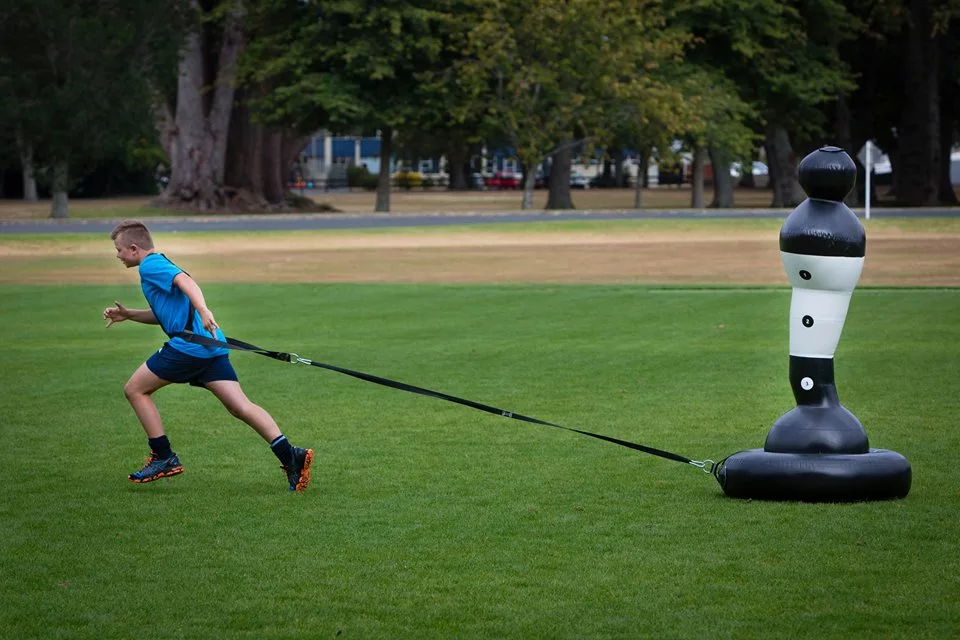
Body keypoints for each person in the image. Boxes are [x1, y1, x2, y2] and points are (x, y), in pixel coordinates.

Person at [104, 220, 314, 492]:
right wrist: (129, 314)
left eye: (119, 249)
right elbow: (165, 315)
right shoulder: (156, 265)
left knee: (135, 390)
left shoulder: (150, 265)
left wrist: (203, 310)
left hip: (188, 348)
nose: (117, 255)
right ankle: (292, 457)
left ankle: (163, 456)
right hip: (211, 345)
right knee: (240, 406)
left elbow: (185, 280)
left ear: (134, 248)